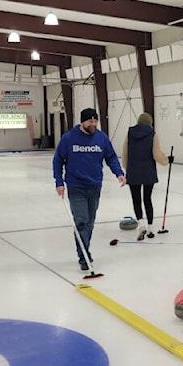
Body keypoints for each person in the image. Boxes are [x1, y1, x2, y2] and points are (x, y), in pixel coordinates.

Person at [53, 108, 126, 271]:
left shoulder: (101, 138)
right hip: (76, 186)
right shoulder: (69, 138)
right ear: (82, 122)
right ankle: (84, 256)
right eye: (90, 122)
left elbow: (111, 157)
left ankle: (84, 251)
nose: (93, 124)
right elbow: (58, 160)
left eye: (95, 121)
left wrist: (119, 173)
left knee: (90, 223)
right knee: (81, 221)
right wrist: (59, 182)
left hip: (95, 186)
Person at [122, 112, 171, 240]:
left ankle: (141, 224)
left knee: (136, 200)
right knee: (147, 199)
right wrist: (166, 160)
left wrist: (127, 168)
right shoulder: (153, 134)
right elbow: (156, 154)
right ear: (150, 122)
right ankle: (150, 229)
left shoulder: (129, 133)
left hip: (133, 170)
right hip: (148, 171)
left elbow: (125, 153)